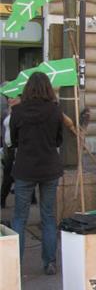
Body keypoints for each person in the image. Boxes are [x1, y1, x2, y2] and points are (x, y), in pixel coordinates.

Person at [10, 72, 63, 275]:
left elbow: (13, 140)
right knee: (48, 216)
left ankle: (14, 265)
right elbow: (59, 140)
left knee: (19, 218)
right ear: (48, 88)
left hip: (25, 169)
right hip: (49, 168)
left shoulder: (18, 111)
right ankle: (49, 262)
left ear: (28, 89)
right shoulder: (55, 111)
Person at [1, 97, 20, 208]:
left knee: (9, 175)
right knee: (8, 174)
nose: (10, 100)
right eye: (9, 98)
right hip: (8, 147)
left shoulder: (19, 111)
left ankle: (2, 199)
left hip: (16, 147)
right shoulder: (8, 111)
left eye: (13, 98)